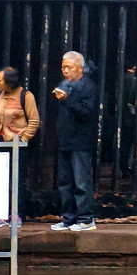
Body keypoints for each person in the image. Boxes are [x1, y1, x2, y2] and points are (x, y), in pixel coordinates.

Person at [51, 51, 100, 230]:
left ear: (80, 68)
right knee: (65, 182)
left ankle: (86, 219)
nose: (65, 71)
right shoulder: (65, 84)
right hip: (65, 140)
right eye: (63, 67)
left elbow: (86, 113)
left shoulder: (88, 86)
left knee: (81, 182)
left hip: (81, 141)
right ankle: (68, 218)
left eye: (69, 67)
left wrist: (68, 99)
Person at [0, 68, 39, 227]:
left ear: (9, 82)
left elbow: (34, 121)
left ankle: (16, 214)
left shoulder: (26, 96)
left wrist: (23, 139)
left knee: (17, 180)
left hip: (17, 144)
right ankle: (0, 214)